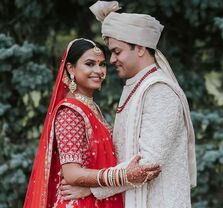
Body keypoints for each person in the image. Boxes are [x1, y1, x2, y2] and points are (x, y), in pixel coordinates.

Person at [61, 1, 197, 207]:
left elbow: (148, 164)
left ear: (140, 48)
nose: (112, 59)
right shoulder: (138, 87)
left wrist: (92, 188)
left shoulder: (159, 91)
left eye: (117, 51)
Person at [23, 38, 161, 208]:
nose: (98, 71)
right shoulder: (70, 112)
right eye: (89, 64)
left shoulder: (91, 107)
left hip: (96, 200)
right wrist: (123, 176)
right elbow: (72, 173)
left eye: (102, 64)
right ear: (70, 68)